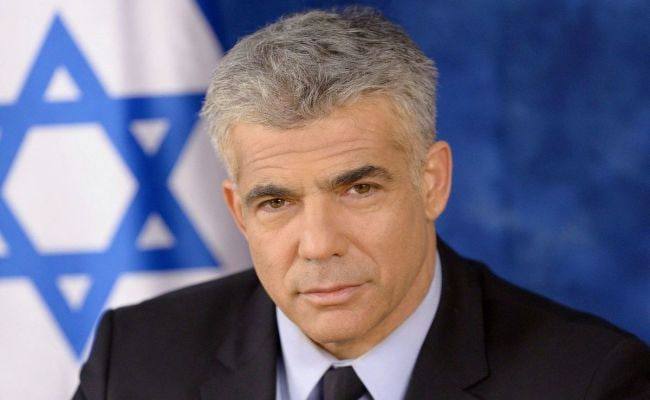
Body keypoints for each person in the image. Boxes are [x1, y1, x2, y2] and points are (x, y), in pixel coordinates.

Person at [73, 7, 649, 400]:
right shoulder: (135, 362)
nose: (319, 245)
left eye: (359, 189)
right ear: (237, 212)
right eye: (276, 201)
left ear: (432, 182)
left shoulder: (589, 381)